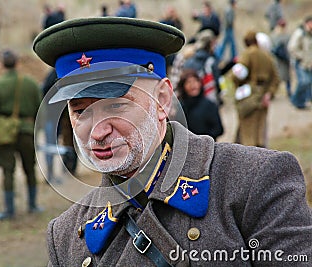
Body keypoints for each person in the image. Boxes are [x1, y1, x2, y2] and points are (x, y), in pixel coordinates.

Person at [33, 17, 311, 266]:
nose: (97, 132)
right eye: (81, 111)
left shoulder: (255, 181)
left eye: (116, 106)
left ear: (163, 100)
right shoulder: (66, 235)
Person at [0, 50, 43, 220]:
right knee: (30, 168)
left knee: (8, 170)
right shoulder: (31, 84)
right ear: (17, 63)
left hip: (5, 133)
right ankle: (33, 205)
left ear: (2, 65)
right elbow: (41, 108)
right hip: (27, 131)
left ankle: (9, 210)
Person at [231, 30, 280, 147]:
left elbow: (237, 74)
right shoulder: (267, 57)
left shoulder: (247, 54)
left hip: (249, 96)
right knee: (260, 130)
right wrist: (269, 94)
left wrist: (238, 83)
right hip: (263, 96)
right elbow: (276, 79)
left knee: (247, 131)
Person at [177, 69, 224, 141]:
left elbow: (219, 129)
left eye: (195, 81)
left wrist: (202, 139)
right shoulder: (180, 107)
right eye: (188, 82)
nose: (193, 85)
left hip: (208, 146)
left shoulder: (209, 104)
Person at [183, 29, 222, 106]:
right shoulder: (211, 61)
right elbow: (217, 83)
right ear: (210, 44)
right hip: (209, 102)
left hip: (191, 102)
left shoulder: (189, 60)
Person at [287, 15, 312, 109]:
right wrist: (302, 56)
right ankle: (295, 100)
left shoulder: (310, 34)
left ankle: (303, 101)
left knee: (309, 82)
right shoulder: (300, 33)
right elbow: (292, 48)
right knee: (304, 82)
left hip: (309, 63)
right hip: (300, 62)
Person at [270, 18, 291, 97]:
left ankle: (288, 91)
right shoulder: (274, 35)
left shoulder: (287, 36)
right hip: (277, 59)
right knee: (277, 77)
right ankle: (273, 92)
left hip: (285, 58)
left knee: (287, 77)